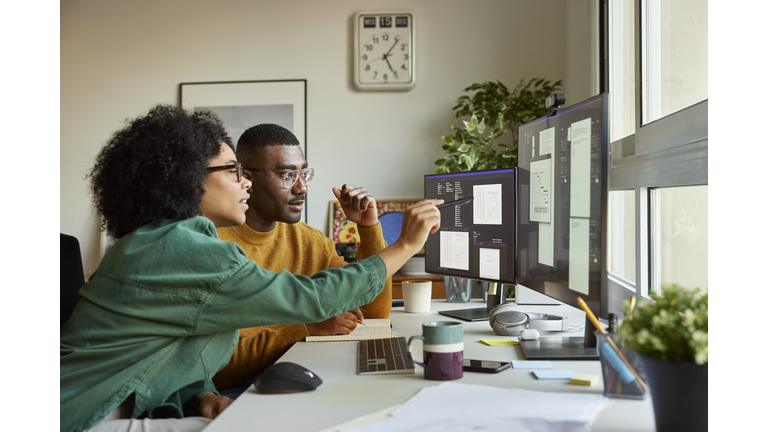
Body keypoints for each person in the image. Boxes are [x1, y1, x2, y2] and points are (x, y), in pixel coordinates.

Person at [60, 105, 442, 432]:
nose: (244, 182)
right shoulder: (180, 247)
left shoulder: (163, 240)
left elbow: (168, 354)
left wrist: (202, 398)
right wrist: (406, 245)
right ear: (188, 179)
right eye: (232, 171)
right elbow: (311, 298)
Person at [213, 124, 391, 390]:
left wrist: (368, 228)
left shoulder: (309, 240)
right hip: (239, 390)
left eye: (304, 174)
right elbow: (216, 367)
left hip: (300, 370)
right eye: (287, 175)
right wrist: (308, 328)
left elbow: (374, 312)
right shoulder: (212, 244)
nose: (302, 188)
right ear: (247, 178)